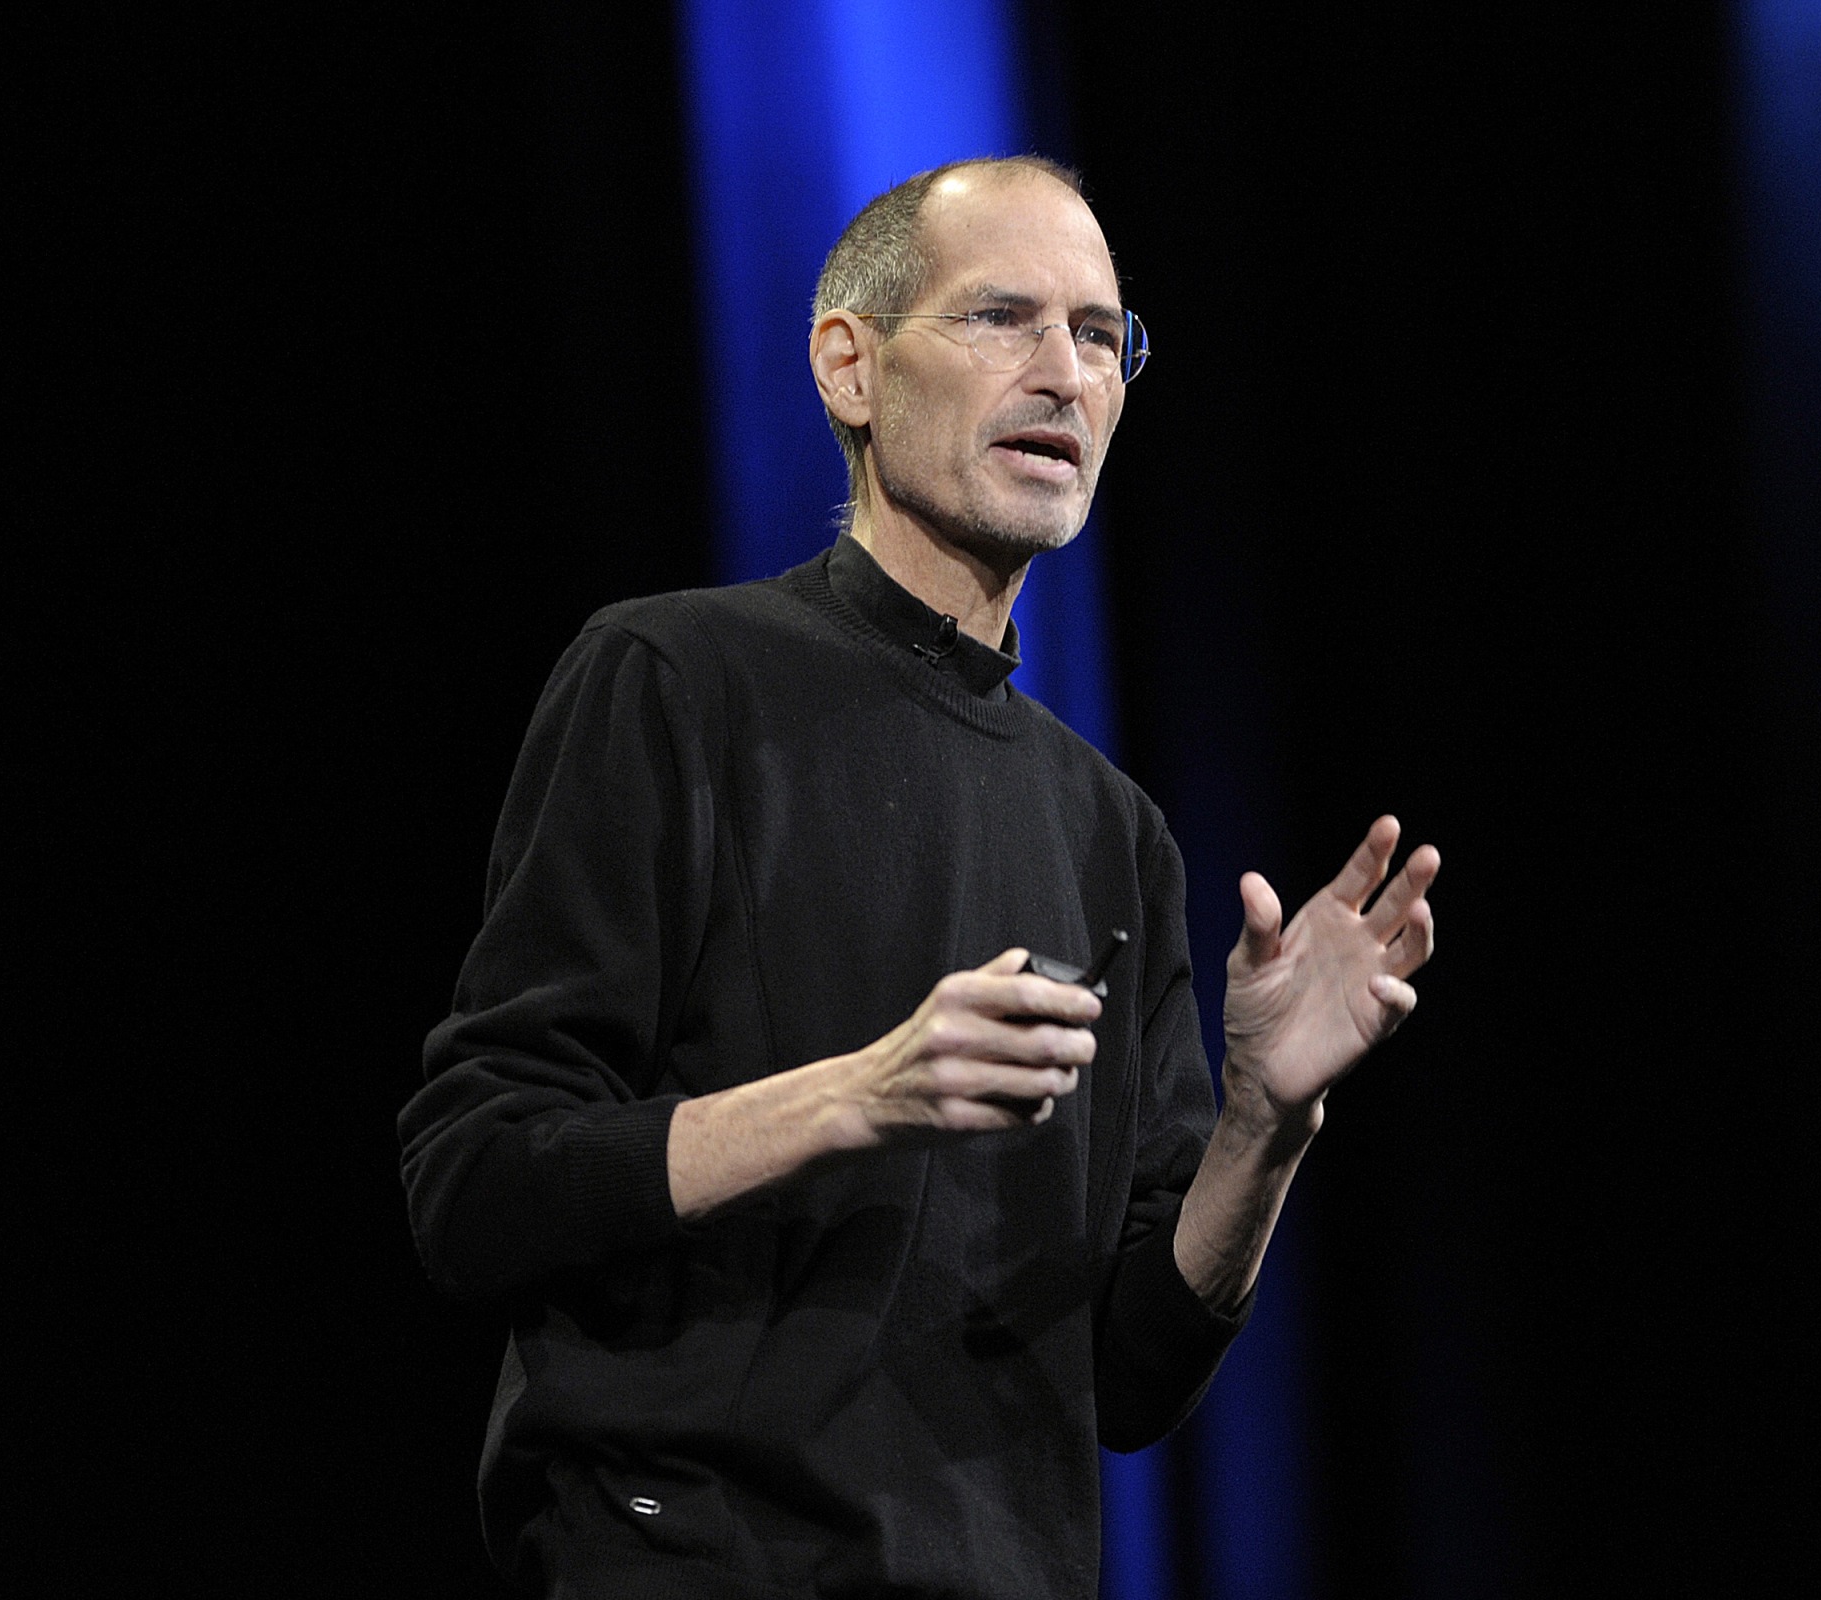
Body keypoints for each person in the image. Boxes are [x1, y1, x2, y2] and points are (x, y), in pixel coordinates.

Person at [400, 155, 1439, 1599]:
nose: (1064, 376)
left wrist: (1266, 1125)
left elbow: (1129, 1377)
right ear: (851, 369)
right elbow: (475, 1181)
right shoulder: (675, 680)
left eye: (1098, 335)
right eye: (1000, 318)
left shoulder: (1113, 831)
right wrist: (863, 1093)